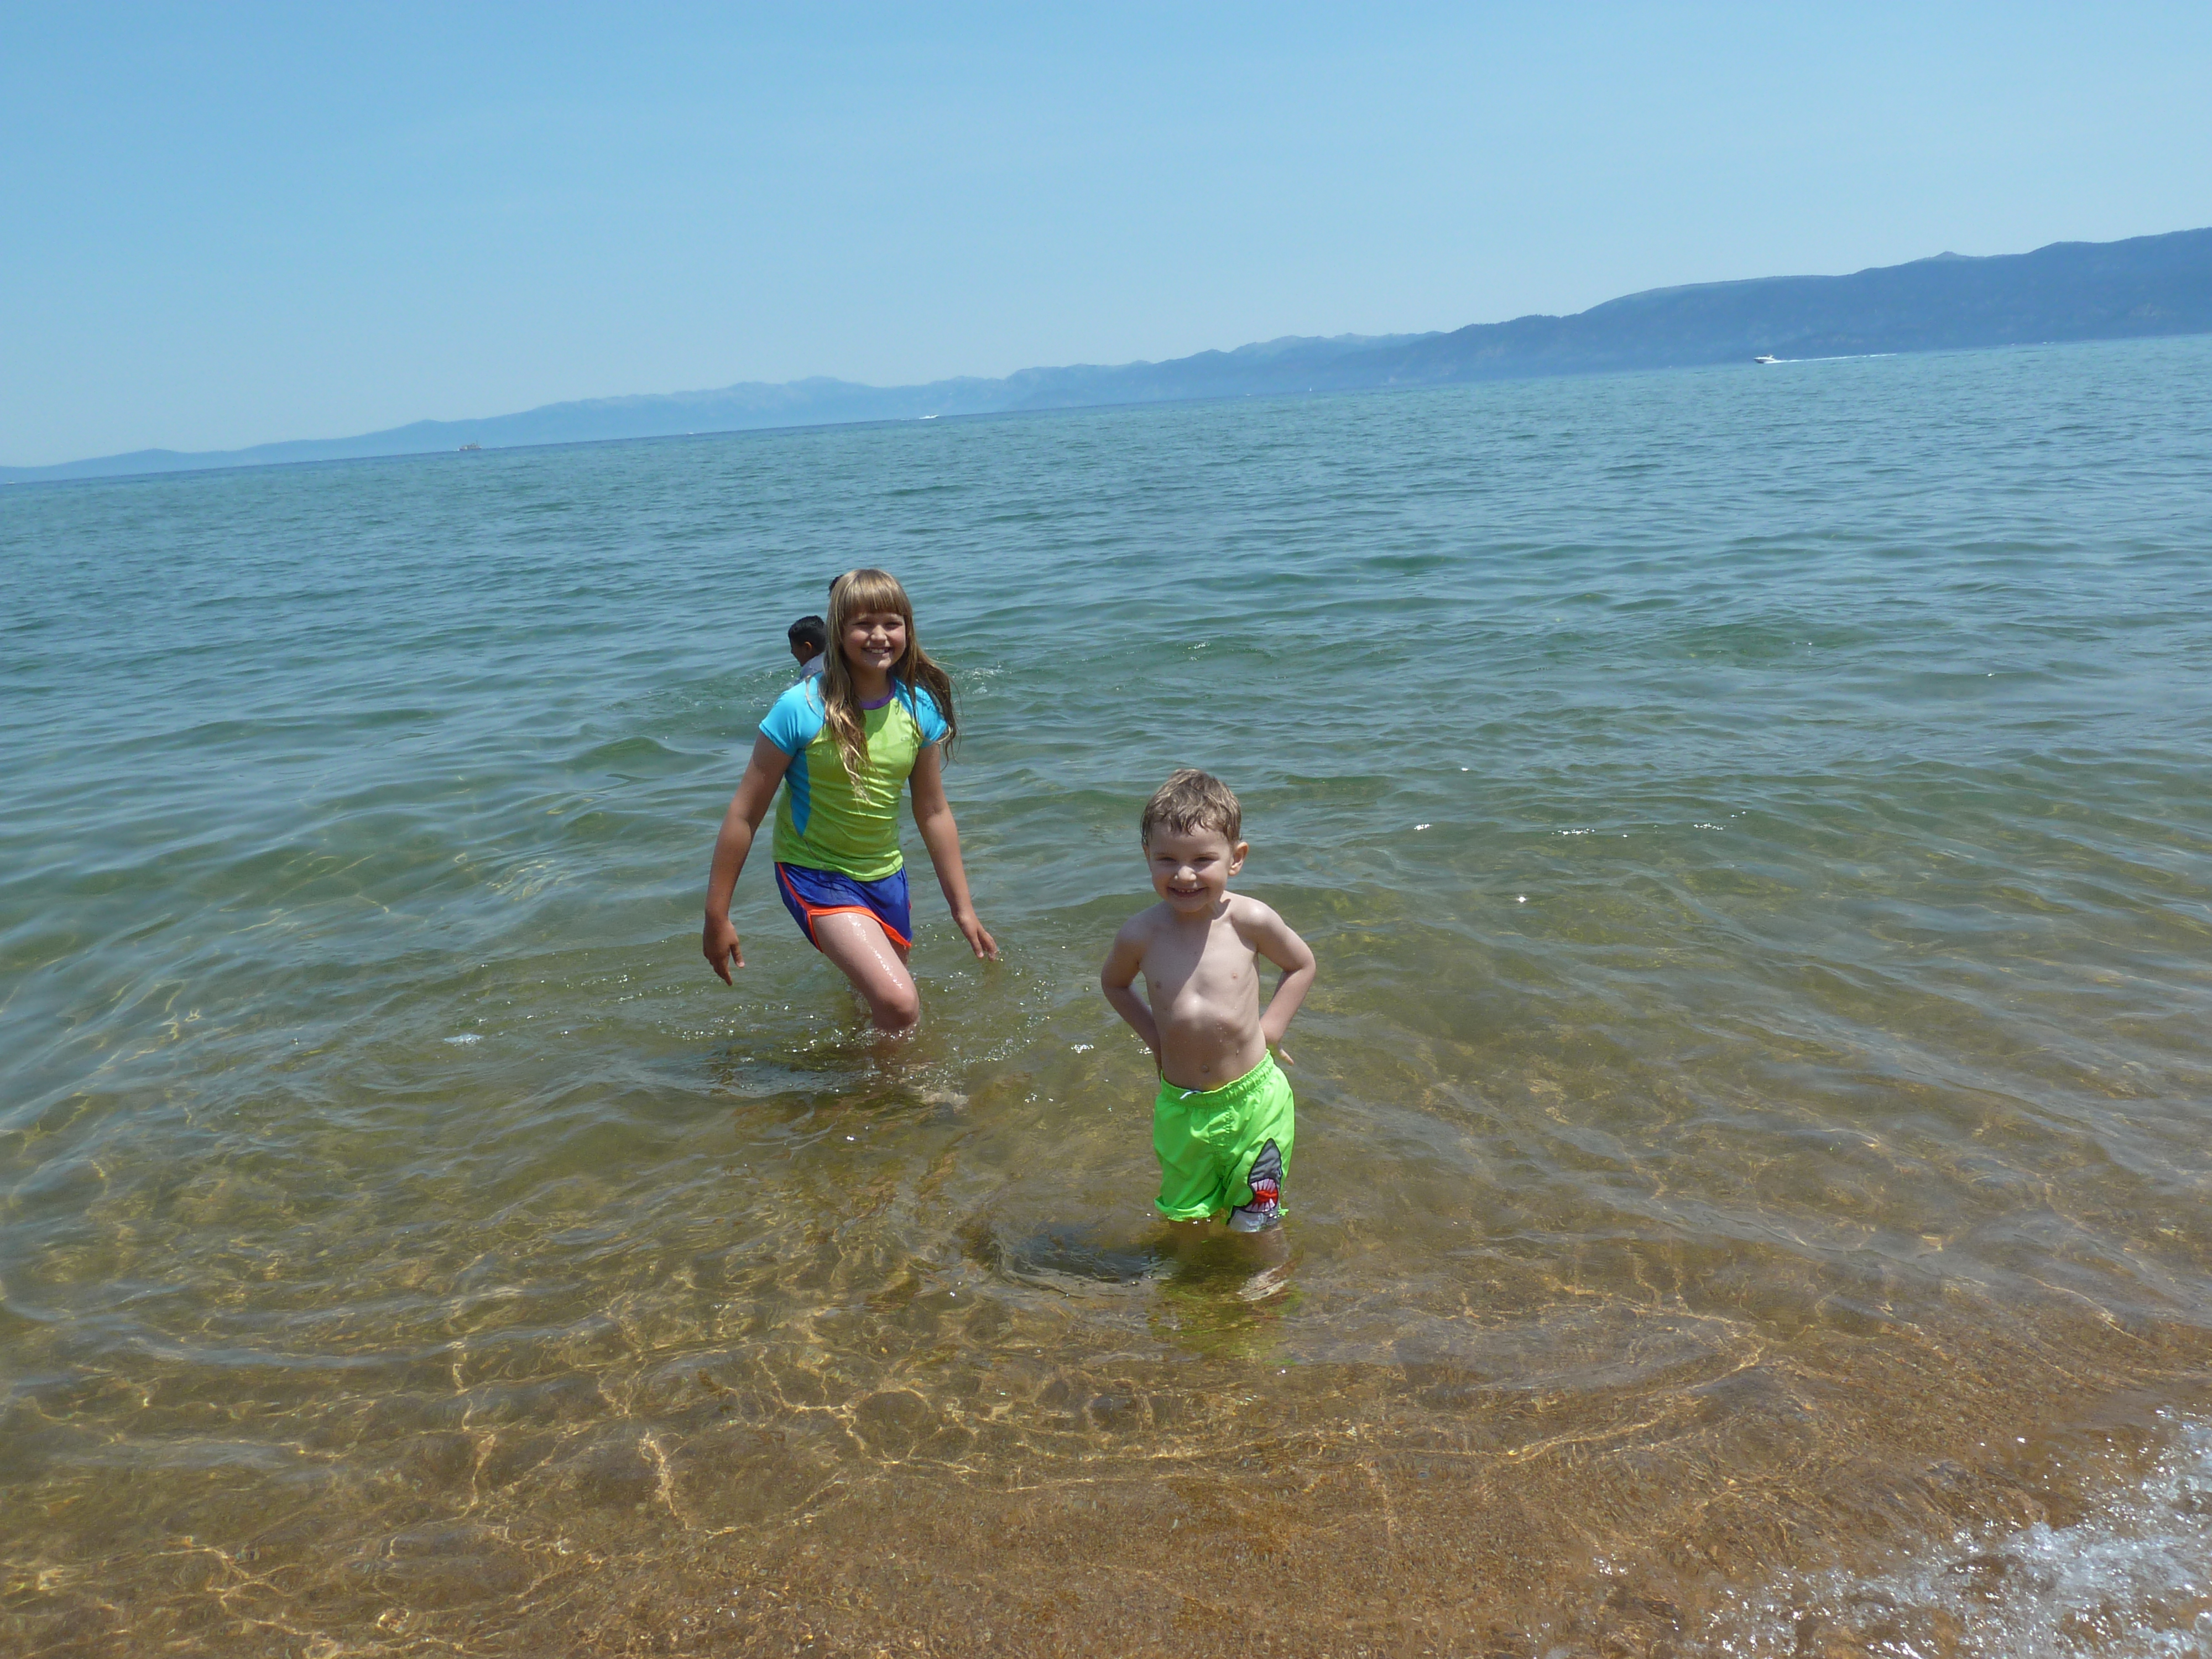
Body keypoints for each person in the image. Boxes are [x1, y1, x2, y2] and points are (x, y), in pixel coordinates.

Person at [702, 570, 997, 1031]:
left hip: (886, 875)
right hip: (813, 873)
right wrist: (716, 916)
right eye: (863, 624)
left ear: (908, 629)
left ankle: (866, 1076)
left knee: (873, 1005)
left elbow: (933, 812)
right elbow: (744, 815)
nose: (879, 636)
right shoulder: (800, 708)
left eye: (892, 623)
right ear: (837, 632)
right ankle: (903, 1078)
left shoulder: (918, 708)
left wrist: (963, 908)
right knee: (900, 1002)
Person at [1100, 769, 1316, 1246]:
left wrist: (1271, 1030)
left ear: (1236, 859)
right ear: (1147, 856)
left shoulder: (1249, 920)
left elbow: (1301, 965)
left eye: (1203, 860)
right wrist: (1155, 1039)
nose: (1184, 875)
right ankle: (1192, 1283)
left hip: (1254, 1100)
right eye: (1167, 859)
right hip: (1182, 1107)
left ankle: (1268, 1280)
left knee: (1257, 1214)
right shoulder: (1140, 934)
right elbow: (1114, 984)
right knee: (1185, 1217)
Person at [787, 614, 827, 680]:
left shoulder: (811, 672)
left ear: (807, 648)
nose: (792, 652)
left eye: (793, 647)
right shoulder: (838, 659)